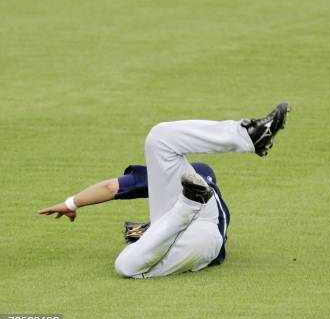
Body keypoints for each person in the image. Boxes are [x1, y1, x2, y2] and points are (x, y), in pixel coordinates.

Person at [38, 102, 290, 278]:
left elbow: (111, 187)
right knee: (159, 136)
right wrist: (71, 203)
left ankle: (193, 200)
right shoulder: (165, 176)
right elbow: (110, 187)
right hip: (170, 229)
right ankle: (247, 138)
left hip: (202, 233)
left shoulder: (195, 173)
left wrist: (72, 203)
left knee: (125, 266)